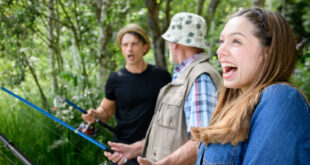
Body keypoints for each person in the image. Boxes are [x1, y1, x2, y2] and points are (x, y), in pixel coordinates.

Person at [191, 8, 310, 164]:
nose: (220, 51)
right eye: (222, 41)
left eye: (236, 41)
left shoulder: (281, 98)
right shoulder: (234, 106)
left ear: (268, 52)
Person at [104, 12, 222, 165]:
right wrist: (135, 149)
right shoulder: (183, 76)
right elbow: (171, 135)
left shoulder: (200, 78)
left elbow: (203, 141)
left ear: (175, 43)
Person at [82, 23, 171, 165]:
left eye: (134, 44)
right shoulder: (115, 79)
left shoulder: (161, 76)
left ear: (145, 47)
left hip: (153, 148)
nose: (129, 49)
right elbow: (106, 111)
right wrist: (95, 114)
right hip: (122, 150)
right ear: (121, 49)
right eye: (125, 45)